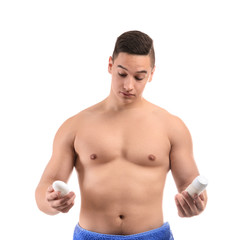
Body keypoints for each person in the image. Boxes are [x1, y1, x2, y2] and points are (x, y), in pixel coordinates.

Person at [35, 30, 207, 240]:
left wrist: (196, 205)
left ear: (152, 74)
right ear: (110, 65)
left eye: (139, 77)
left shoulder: (171, 126)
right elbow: (47, 185)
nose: (128, 85)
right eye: (122, 74)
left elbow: (190, 183)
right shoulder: (76, 126)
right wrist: (50, 202)